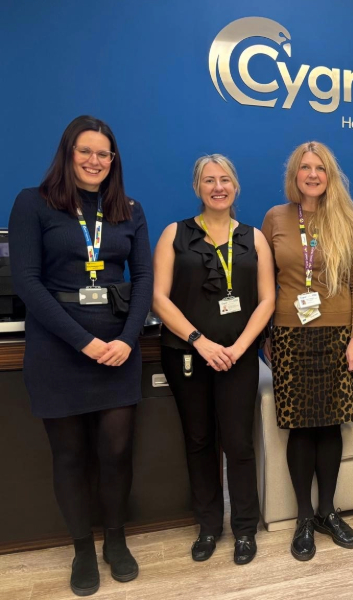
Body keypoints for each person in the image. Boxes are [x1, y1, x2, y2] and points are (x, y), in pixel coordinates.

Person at [9, 115, 153, 596]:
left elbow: (144, 280)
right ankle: (82, 550)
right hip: (59, 349)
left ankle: (115, 541)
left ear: (114, 162)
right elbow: (28, 282)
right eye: (85, 151)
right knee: (70, 456)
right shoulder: (34, 203)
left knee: (115, 454)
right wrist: (84, 342)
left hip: (117, 349)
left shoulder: (128, 209)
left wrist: (127, 341)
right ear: (68, 154)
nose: (95, 161)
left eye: (104, 154)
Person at [152, 154, 274, 564]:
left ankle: (244, 528)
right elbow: (158, 298)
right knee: (199, 441)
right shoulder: (175, 234)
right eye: (209, 180)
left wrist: (241, 348)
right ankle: (208, 526)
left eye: (225, 180)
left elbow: (268, 298)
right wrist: (199, 341)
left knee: (238, 443)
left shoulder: (254, 238)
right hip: (187, 354)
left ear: (236, 187)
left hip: (238, 357)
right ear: (197, 188)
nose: (218, 187)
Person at [261, 141, 353, 561]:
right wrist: (266, 332)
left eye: (320, 168)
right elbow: (263, 280)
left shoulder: (347, 218)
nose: (312, 174)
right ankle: (304, 518)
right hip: (289, 335)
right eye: (304, 167)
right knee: (301, 428)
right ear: (294, 174)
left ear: (330, 175)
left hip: (338, 335)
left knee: (331, 425)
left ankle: (327, 511)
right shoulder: (275, 218)